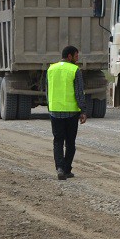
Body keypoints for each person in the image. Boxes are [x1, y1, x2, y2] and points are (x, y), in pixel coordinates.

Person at [47, 45, 87, 180]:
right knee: (70, 142)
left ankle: (59, 168)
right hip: (71, 112)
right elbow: (79, 92)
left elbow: (47, 90)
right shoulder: (75, 70)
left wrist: (50, 106)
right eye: (76, 56)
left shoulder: (51, 69)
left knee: (57, 141)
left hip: (55, 111)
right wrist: (83, 110)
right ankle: (66, 169)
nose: (77, 59)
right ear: (69, 56)